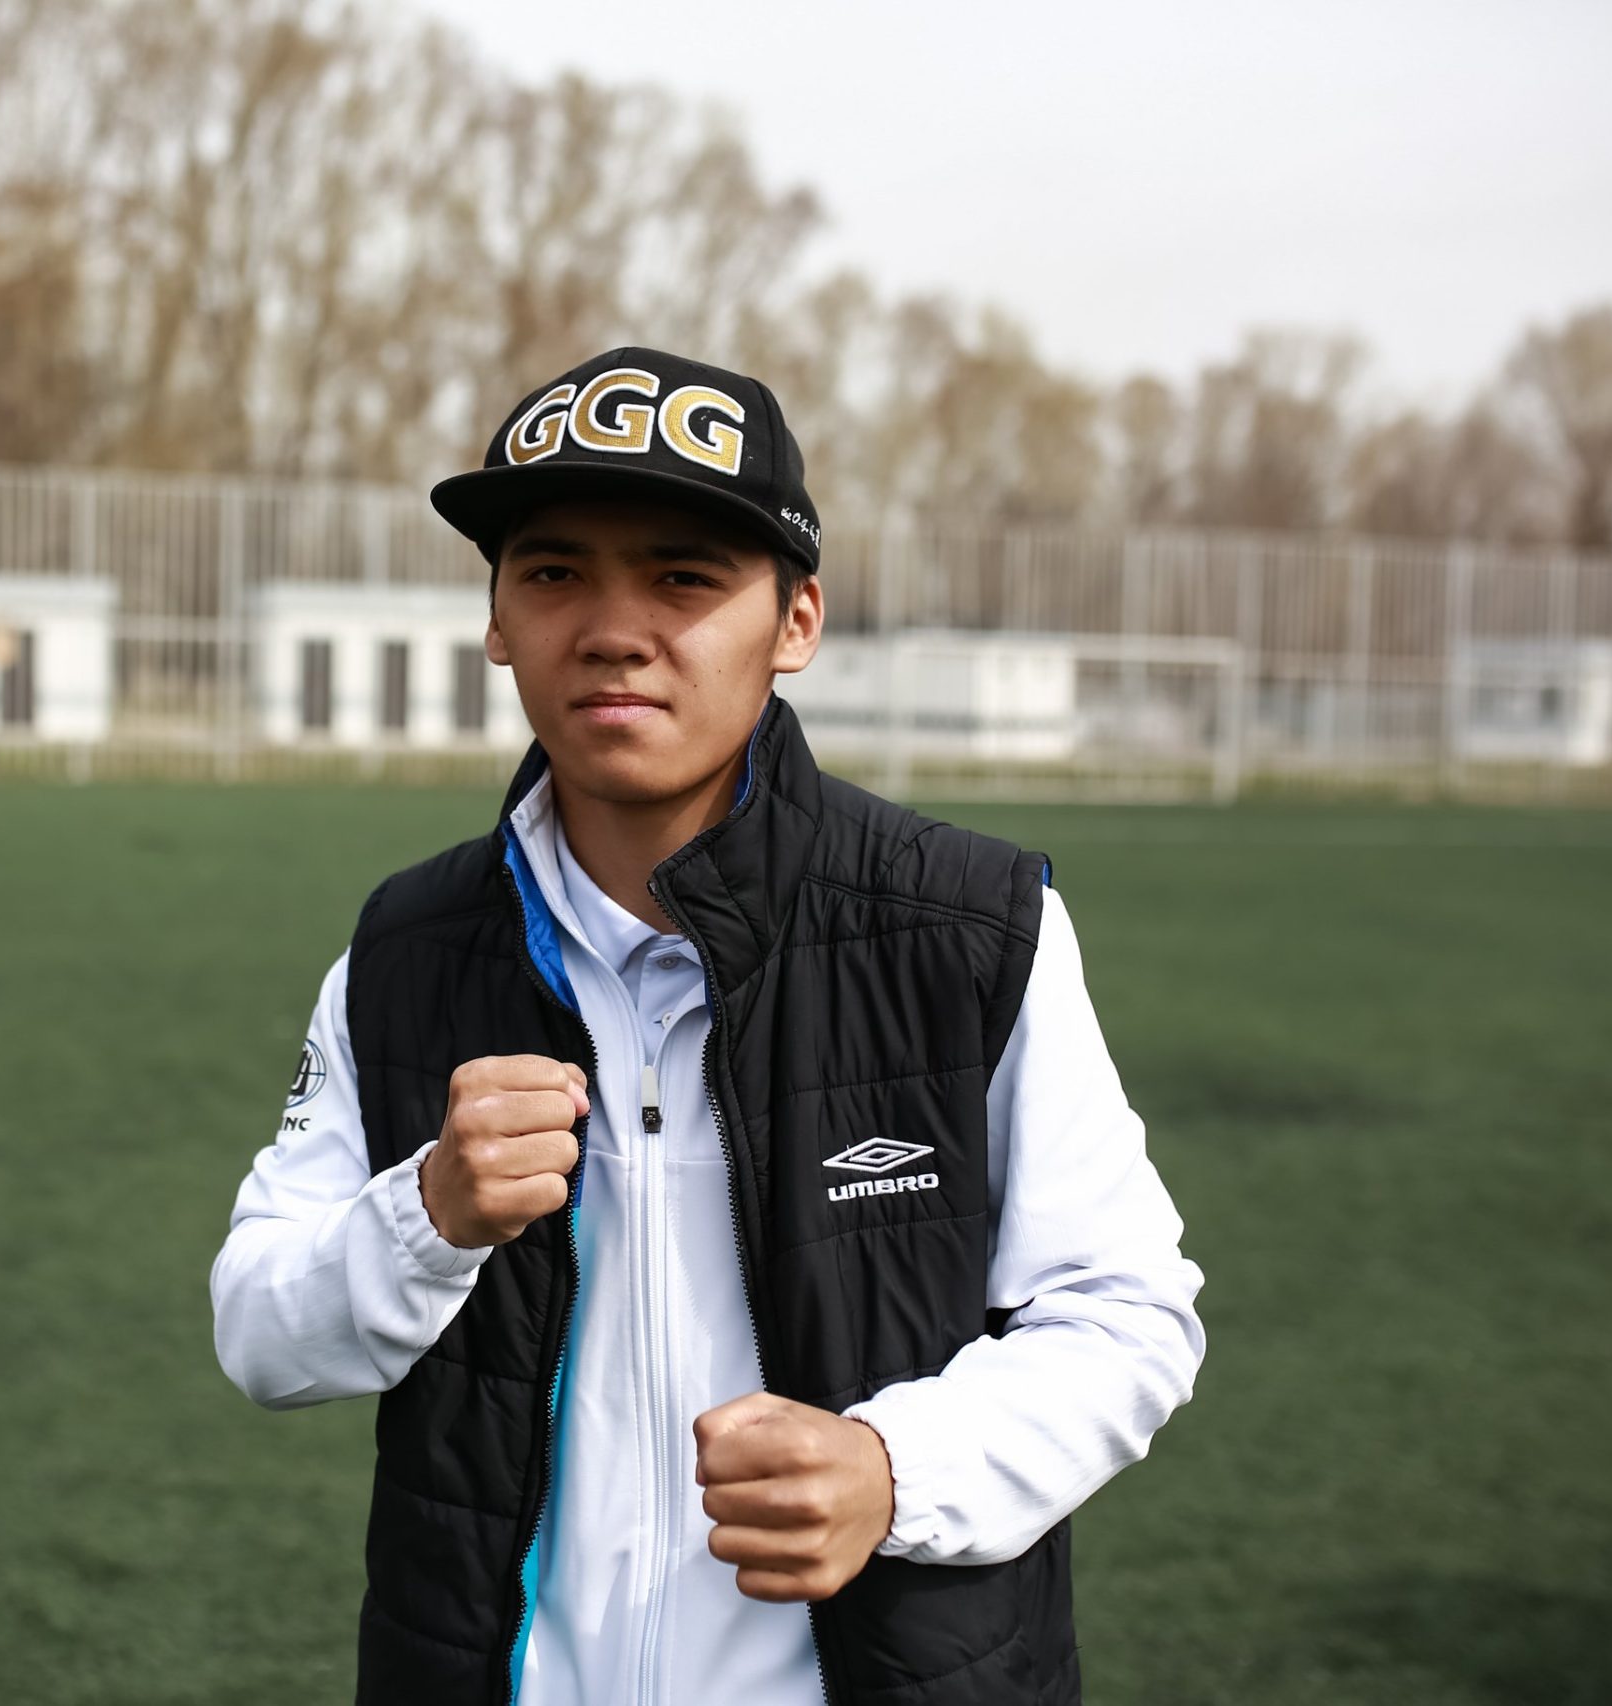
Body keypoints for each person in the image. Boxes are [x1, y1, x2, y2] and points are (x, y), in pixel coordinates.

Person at [210, 346, 1205, 1706]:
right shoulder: (404, 951)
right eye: (553, 572)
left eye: (683, 577)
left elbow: (1127, 1316)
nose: (613, 628)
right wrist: (427, 1214)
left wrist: (895, 1470)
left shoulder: (973, 930)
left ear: (798, 620)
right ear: (496, 618)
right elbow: (261, 1332)